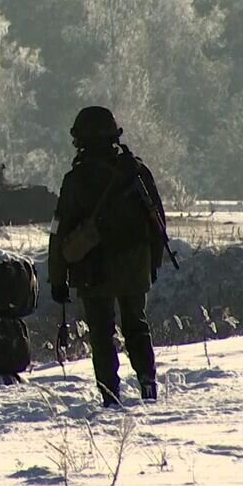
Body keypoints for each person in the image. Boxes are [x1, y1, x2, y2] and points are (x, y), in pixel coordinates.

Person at [47, 107, 167, 407]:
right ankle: (148, 383)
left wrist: (57, 278)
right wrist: (152, 263)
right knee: (136, 326)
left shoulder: (76, 179)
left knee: (102, 333)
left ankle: (110, 395)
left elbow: (59, 231)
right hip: (134, 264)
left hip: (93, 269)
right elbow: (157, 222)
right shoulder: (136, 171)